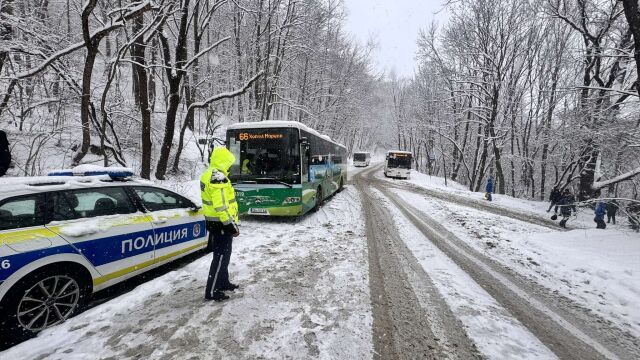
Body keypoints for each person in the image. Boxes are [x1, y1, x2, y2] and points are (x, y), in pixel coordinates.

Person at [200, 147, 240, 302]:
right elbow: (221, 206)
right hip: (222, 224)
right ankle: (212, 291)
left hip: (215, 222)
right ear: (222, 161)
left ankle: (223, 282)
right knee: (220, 256)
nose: (229, 166)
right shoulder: (218, 177)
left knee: (225, 255)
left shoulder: (208, 174)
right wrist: (231, 225)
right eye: (228, 162)